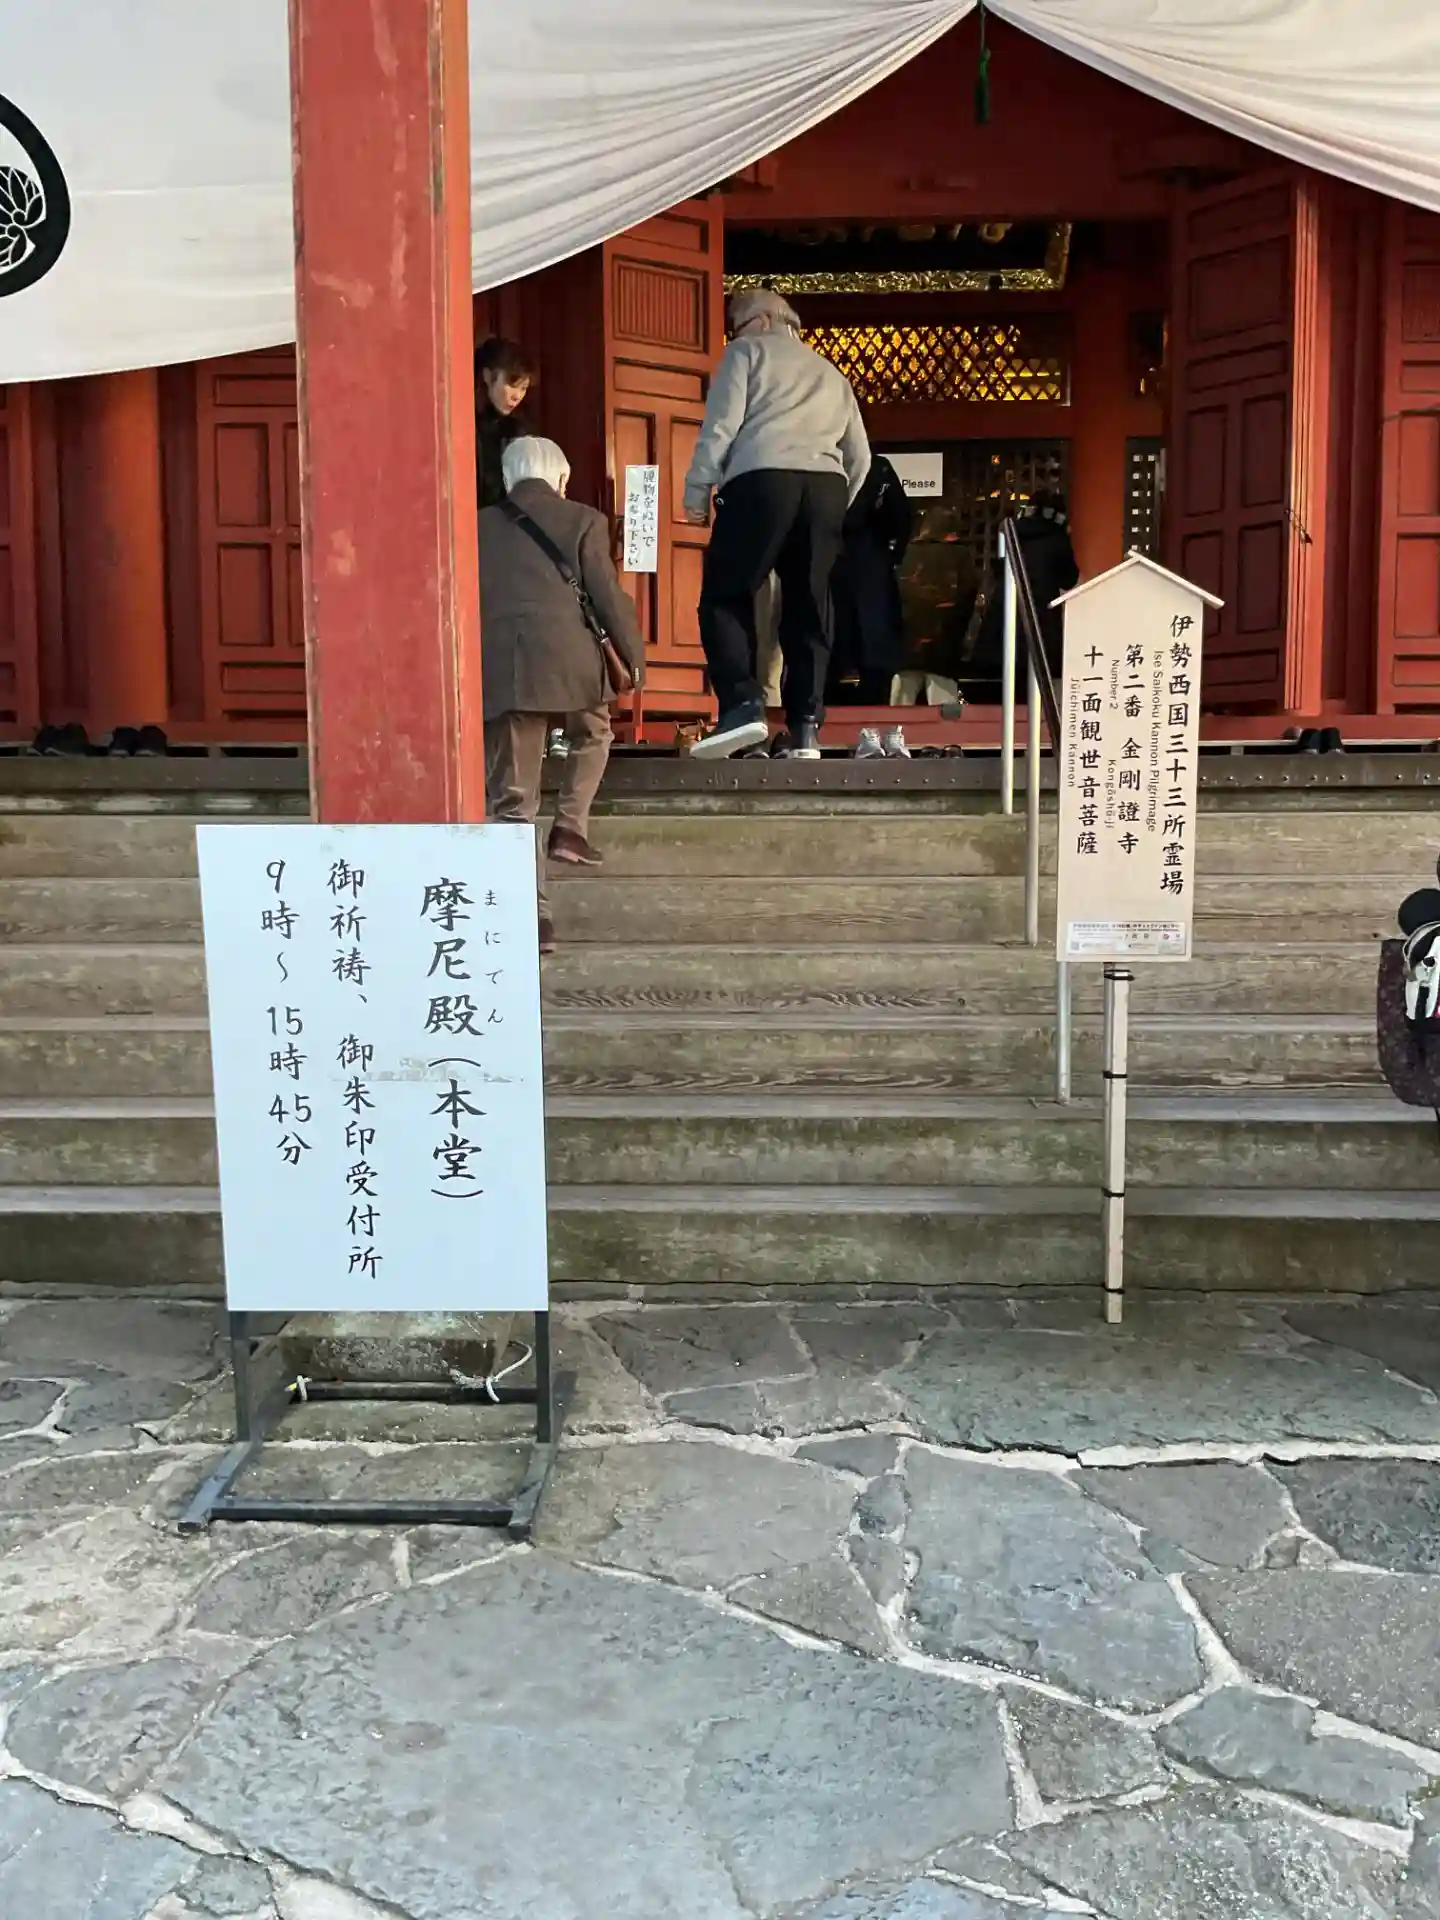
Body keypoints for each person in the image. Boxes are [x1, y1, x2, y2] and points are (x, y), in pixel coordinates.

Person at [683, 288, 871, 760]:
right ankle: (806, 727)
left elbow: (721, 427)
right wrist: (834, 504)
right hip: (826, 486)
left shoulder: (745, 354)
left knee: (726, 595)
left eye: (736, 327)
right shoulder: (831, 372)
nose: (734, 336)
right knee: (810, 606)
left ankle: (742, 705)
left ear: (762, 320)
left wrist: (697, 491)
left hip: (761, 480)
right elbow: (861, 457)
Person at [478, 437, 644, 953]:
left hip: (507, 670)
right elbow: (606, 596)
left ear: (508, 478)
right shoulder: (584, 520)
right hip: (572, 662)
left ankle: (535, 919)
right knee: (594, 733)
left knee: (513, 804)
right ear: (562, 479)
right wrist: (634, 660)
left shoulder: (478, 525)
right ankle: (570, 827)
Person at [970, 491, 1079, 697]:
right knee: (1036, 682)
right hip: (1039, 617)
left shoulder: (1009, 532)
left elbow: (997, 568)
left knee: (1001, 682)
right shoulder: (1056, 538)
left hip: (1003, 613)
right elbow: (1069, 579)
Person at [828, 453, 912, 705]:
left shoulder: (818, 460)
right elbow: (901, 518)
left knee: (828, 642)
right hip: (871, 560)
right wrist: (893, 553)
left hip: (827, 559)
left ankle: (817, 710)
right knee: (875, 643)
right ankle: (875, 709)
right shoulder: (877, 467)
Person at [475, 336, 537, 510]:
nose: (517, 396)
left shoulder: (520, 428)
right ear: (488, 376)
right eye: (512, 384)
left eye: (523, 388)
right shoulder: (467, 423)